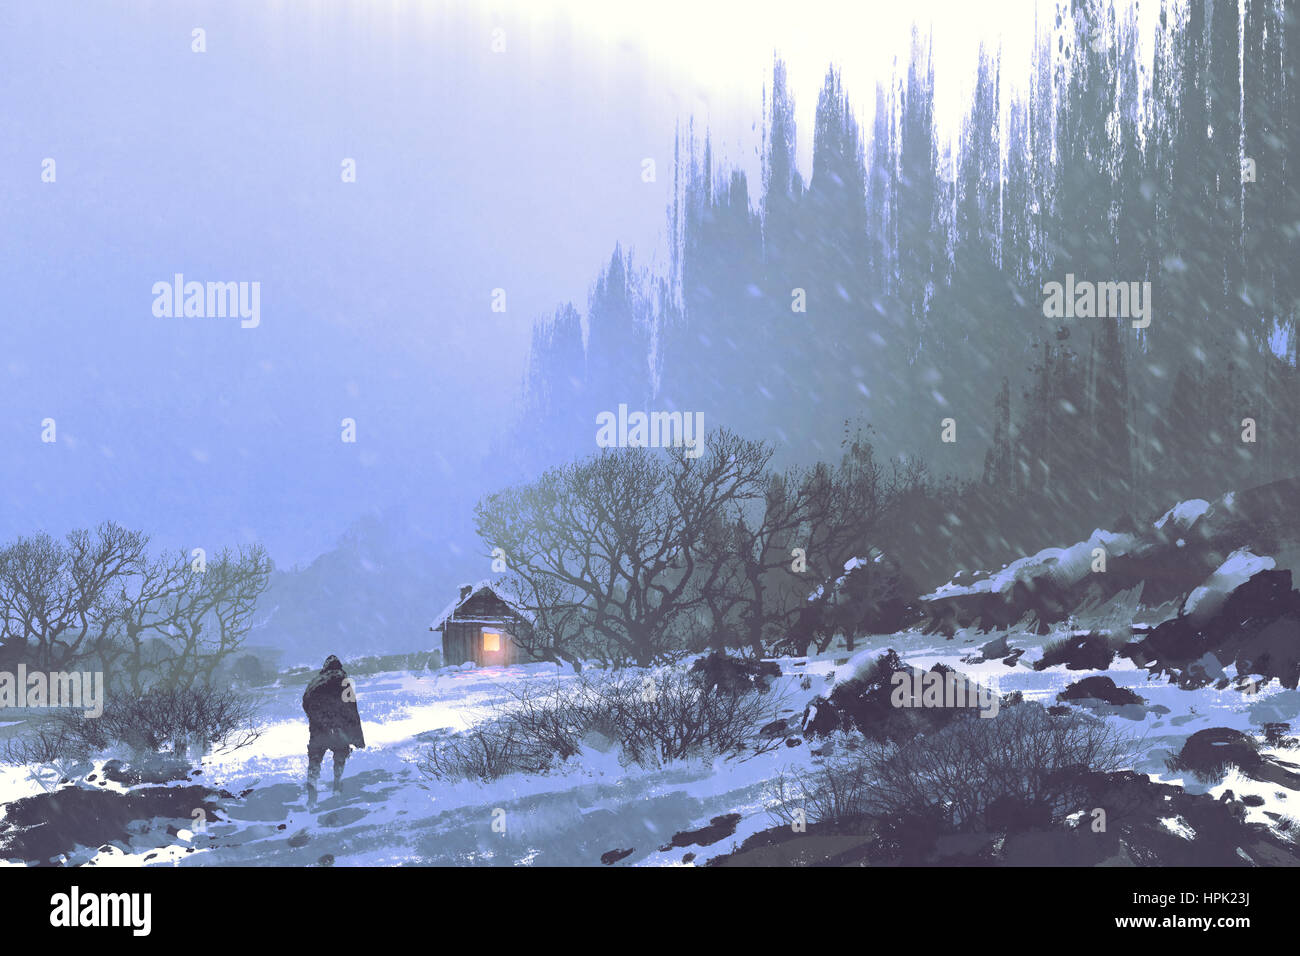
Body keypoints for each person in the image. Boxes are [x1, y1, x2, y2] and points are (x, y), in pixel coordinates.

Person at [302, 654, 365, 800]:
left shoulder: (314, 682)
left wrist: (314, 720)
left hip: (318, 728)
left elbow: (305, 702)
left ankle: (312, 782)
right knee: (340, 754)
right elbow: (352, 708)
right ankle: (337, 784)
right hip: (338, 728)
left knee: (315, 756)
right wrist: (357, 737)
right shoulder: (344, 681)